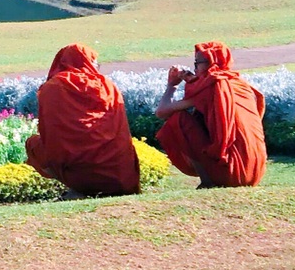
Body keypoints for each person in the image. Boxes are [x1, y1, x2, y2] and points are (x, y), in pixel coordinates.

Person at [24, 43, 140, 196]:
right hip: (119, 176)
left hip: (76, 171)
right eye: (94, 62)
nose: (96, 66)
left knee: (33, 144)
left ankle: (78, 187)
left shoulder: (52, 88)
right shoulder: (107, 86)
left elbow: (49, 133)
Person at [151, 40, 267, 188]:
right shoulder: (241, 84)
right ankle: (213, 176)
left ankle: (208, 181)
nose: (195, 68)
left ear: (211, 63)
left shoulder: (211, 85)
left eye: (197, 63)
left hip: (230, 173)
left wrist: (172, 85)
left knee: (178, 119)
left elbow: (162, 112)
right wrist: (193, 80)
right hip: (255, 173)